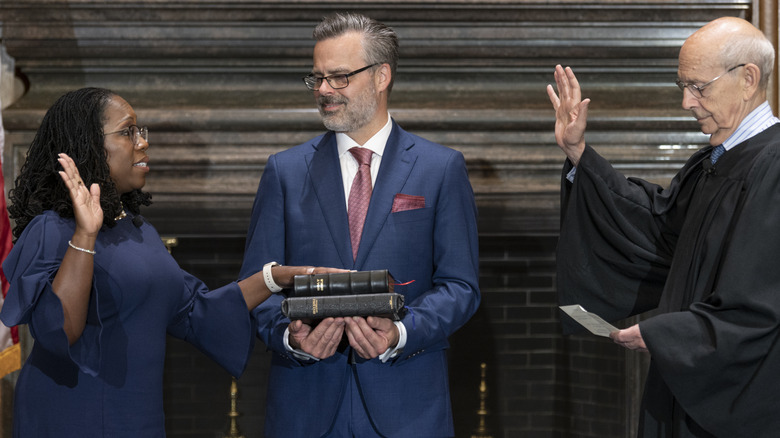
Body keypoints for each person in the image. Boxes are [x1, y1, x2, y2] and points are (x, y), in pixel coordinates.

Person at [0, 87, 340, 437]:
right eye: (128, 132)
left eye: (140, 131)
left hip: (137, 418)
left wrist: (276, 277)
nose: (143, 142)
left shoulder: (139, 231)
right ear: (87, 143)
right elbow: (58, 332)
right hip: (71, 417)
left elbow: (195, 311)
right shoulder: (53, 228)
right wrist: (86, 235)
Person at [239, 12, 480, 438]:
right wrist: (292, 339)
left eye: (338, 77)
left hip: (408, 407)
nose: (324, 91)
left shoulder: (441, 168)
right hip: (305, 407)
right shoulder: (284, 171)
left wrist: (400, 332)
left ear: (381, 75)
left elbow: (461, 287)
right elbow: (257, 289)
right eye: (317, 79)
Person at [547, 16, 780, 437]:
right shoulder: (714, 161)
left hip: (734, 395)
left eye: (698, 87)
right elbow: (657, 228)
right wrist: (579, 153)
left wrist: (667, 335)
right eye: (682, 87)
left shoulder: (774, 168)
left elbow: (760, 300)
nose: (687, 103)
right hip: (684, 377)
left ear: (748, 79)